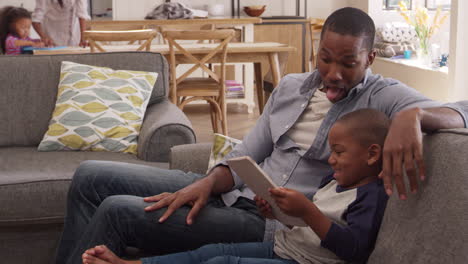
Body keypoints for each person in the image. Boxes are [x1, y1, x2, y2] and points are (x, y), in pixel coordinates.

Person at [55, 7, 467, 264]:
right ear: (316, 50)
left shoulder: (385, 97)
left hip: (272, 224)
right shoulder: (290, 86)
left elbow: (463, 110)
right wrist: (205, 183)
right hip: (232, 192)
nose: (334, 73)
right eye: (325, 58)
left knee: (116, 210)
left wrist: (410, 119)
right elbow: (247, 155)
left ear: (370, 59)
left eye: (349, 63)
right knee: (90, 173)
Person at [81, 108, 391, 264]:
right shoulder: (333, 180)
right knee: (209, 252)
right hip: (286, 246)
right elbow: (308, 222)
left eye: (338, 153)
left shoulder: (370, 196)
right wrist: (277, 212)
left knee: (221, 262)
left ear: (372, 154)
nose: (331, 160)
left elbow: (354, 250)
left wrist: (308, 211)